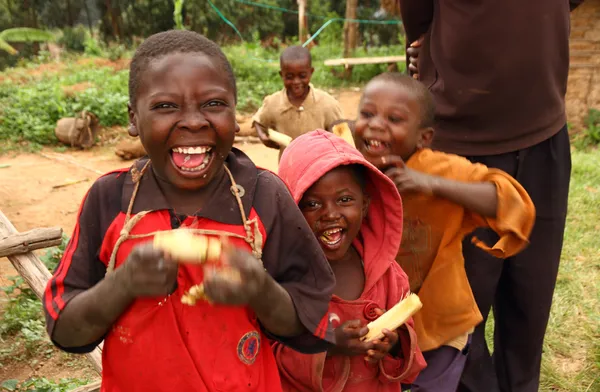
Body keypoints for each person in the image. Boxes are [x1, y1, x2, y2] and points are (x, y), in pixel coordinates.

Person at [42, 30, 336, 392]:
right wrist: (121, 285)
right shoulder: (111, 199)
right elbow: (65, 329)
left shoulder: (263, 198)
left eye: (213, 104)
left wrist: (262, 291)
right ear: (134, 119)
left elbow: (313, 322)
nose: (194, 121)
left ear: (235, 111)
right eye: (166, 106)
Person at [397, 1, 583, 390]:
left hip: (542, 134)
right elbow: (418, 15)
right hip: (459, 145)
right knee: (461, 317)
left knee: (529, 307)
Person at [353, 73, 535, 392]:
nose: (376, 125)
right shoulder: (349, 168)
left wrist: (430, 185)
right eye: (367, 114)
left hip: (436, 324)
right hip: (375, 324)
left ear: (424, 138)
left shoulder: (439, 170)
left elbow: (510, 200)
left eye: (394, 119)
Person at [274, 129, 426, 391]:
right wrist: (329, 346)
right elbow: (271, 355)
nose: (331, 214)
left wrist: (394, 344)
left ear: (365, 205)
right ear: (291, 210)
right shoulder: (282, 281)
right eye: (312, 204)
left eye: (345, 200)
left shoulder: (389, 275)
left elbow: (409, 356)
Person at [252, 45, 343, 160]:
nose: (296, 82)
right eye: (289, 77)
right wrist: (263, 137)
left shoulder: (327, 104)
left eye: (302, 76)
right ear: (281, 75)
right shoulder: (273, 103)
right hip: (288, 171)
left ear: (311, 72)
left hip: (321, 170)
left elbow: (341, 135)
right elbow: (258, 121)